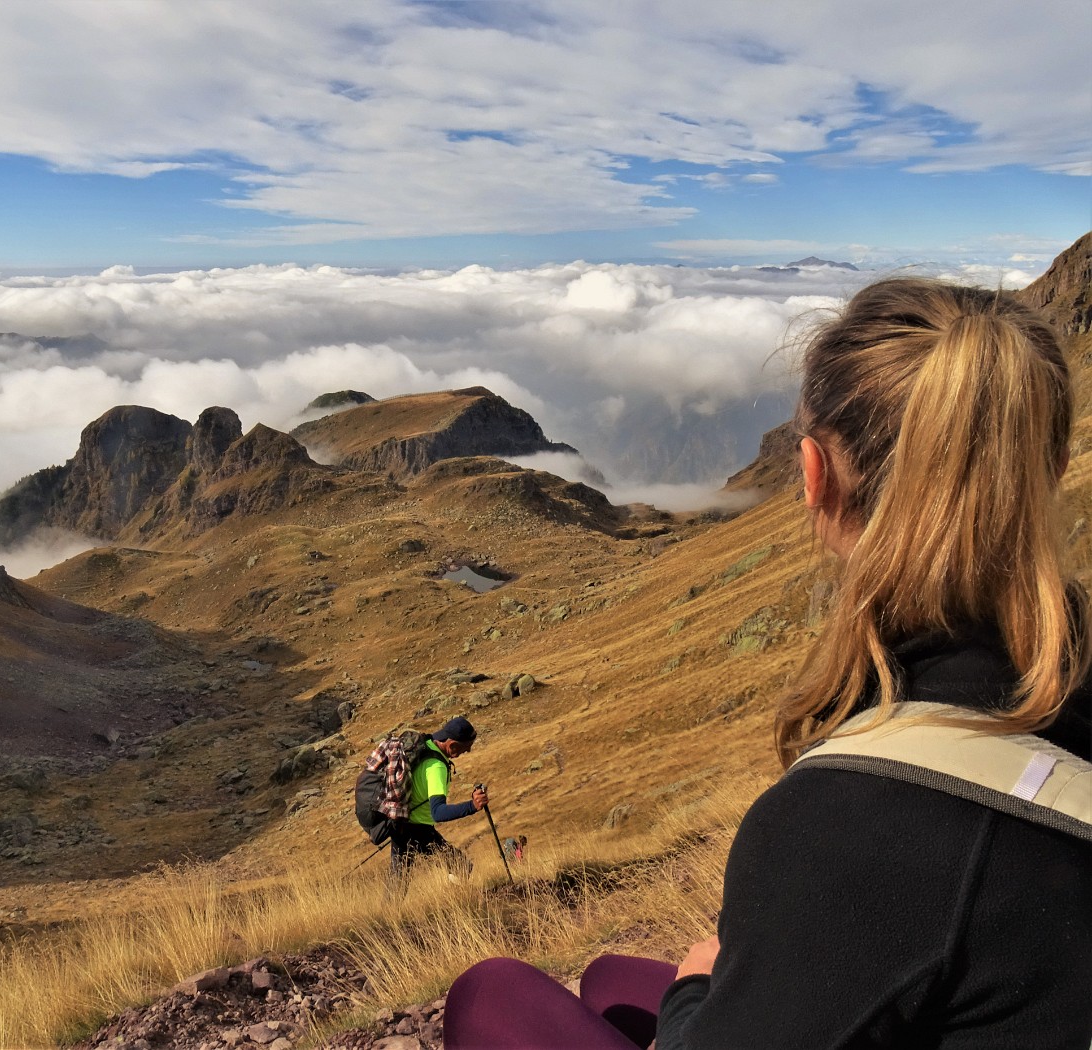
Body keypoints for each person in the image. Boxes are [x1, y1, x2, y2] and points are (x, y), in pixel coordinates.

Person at [443, 278, 1092, 1048]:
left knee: (493, 994)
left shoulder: (843, 827)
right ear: (1049, 466)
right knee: (613, 979)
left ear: (812, 473)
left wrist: (691, 992)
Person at [391, 715, 488, 875]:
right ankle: (459, 900)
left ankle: (451, 898)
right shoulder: (436, 767)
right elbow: (438, 813)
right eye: (466, 747)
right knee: (461, 867)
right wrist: (472, 805)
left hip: (400, 823)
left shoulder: (427, 745)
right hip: (416, 828)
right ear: (452, 745)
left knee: (397, 882)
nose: (468, 751)